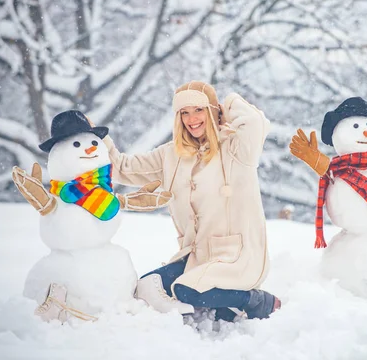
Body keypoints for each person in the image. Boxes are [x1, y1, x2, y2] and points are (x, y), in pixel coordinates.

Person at [101, 81, 281, 321]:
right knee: (147, 287)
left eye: (198, 110)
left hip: (236, 255)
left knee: (187, 290)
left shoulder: (237, 148)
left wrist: (223, 108)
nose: (191, 118)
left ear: (211, 111)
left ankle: (257, 301)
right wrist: (95, 138)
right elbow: (123, 168)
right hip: (195, 258)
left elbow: (256, 122)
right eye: (184, 112)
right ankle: (222, 305)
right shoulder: (170, 154)